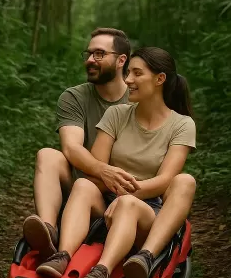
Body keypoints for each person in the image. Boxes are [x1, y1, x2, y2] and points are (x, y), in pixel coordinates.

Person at [27, 47, 197, 278]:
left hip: (146, 209)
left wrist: (126, 196)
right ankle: (62, 254)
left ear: (160, 79)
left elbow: (164, 181)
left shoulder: (182, 124)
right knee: (83, 185)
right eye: (128, 73)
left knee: (184, 181)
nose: (128, 80)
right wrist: (115, 188)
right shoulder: (116, 114)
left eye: (137, 74)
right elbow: (97, 170)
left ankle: (111, 268)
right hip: (106, 198)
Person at [22, 27, 142, 255]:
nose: (89, 60)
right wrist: (104, 171)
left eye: (99, 54)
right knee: (48, 155)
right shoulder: (74, 97)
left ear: (121, 60)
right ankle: (48, 231)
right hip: (85, 188)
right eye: (88, 54)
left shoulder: (140, 97)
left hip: (128, 193)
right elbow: (71, 147)